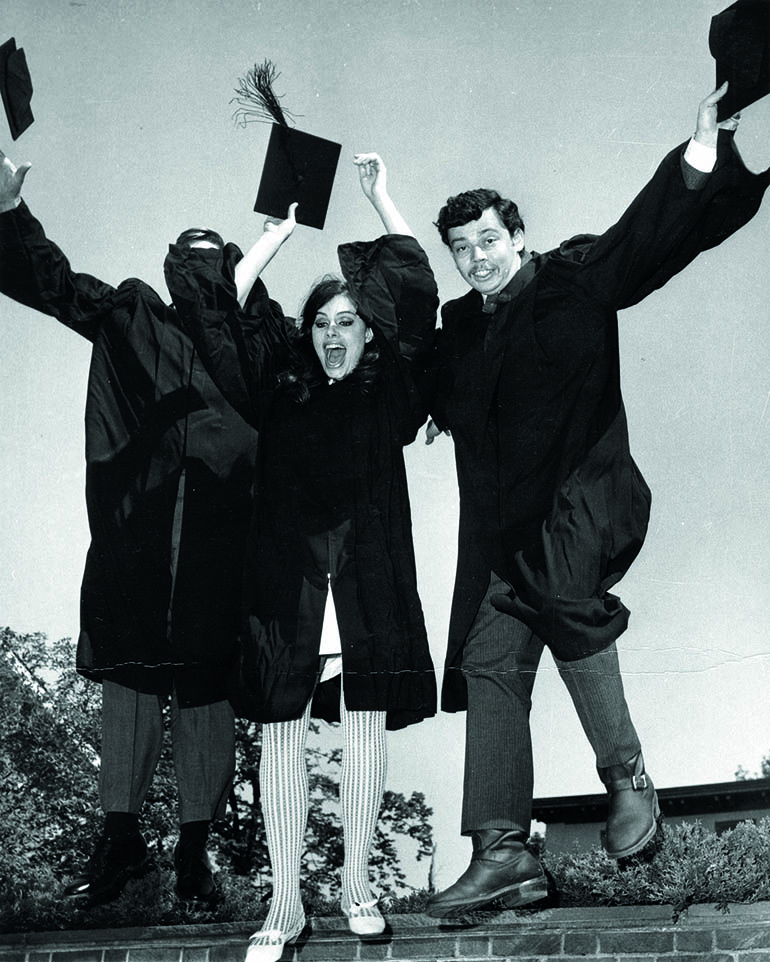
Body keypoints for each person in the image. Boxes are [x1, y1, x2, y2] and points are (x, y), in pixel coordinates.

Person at [421, 82, 770, 918]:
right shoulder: (460, 326)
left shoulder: (572, 276)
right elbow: (439, 382)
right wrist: (439, 407)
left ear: (518, 235)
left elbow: (640, 244)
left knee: (564, 594)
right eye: (462, 248)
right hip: (504, 530)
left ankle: (627, 780)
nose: (478, 259)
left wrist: (695, 157)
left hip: (581, 496)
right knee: (489, 658)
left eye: (490, 240)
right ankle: (502, 850)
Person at [165, 153, 438, 960]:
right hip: (286, 587)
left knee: (364, 727)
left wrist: (383, 198)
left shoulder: (391, 395)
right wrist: (275, 234)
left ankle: (356, 886)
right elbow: (220, 316)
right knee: (281, 732)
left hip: (365, 581)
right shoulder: (278, 387)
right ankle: (282, 906)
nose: (332, 334)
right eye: (321, 322)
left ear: (368, 333)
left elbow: (418, 303)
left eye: (348, 321)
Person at [0, 152, 263, 905]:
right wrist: (9, 213)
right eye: (189, 255)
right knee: (130, 683)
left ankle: (194, 856)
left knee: (207, 692)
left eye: (215, 257)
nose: (200, 268)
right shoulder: (132, 316)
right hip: (137, 538)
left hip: (219, 546)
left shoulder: (258, 346)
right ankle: (119, 846)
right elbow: (52, 284)